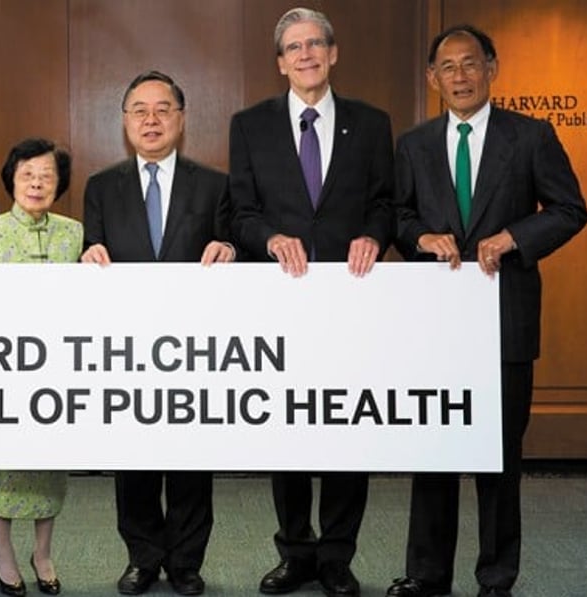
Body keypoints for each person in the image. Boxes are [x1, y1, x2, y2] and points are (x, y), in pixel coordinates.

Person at [386, 25, 587, 597]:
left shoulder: (530, 136)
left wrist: (515, 238)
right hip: (437, 328)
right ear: (433, 79)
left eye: (470, 63)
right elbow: (397, 217)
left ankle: (497, 577)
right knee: (435, 453)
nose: (460, 76)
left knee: (499, 459)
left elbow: (571, 209)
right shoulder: (414, 144)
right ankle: (427, 575)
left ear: (491, 68)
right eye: (447, 67)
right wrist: (422, 237)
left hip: (506, 323)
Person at [228, 7, 394, 597]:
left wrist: (376, 234)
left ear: (333, 52)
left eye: (315, 44)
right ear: (280, 62)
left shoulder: (372, 124)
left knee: (348, 428)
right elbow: (240, 213)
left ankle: (337, 557)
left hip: (351, 301)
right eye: (294, 48)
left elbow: (384, 202)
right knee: (291, 430)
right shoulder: (249, 125)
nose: (306, 55)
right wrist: (269, 238)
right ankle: (295, 550)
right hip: (283, 301)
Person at [82, 70, 234, 596]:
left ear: (181, 118)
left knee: (192, 459)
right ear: (125, 121)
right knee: (135, 459)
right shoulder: (100, 187)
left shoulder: (215, 185)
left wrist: (231, 251)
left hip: (196, 348)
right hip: (126, 346)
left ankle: (187, 562)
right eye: (139, 110)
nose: (151, 119)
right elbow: (93, 250)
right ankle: (143, 557)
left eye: (162, 109)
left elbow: (233, 249)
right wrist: (88, 254)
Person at [0, 138, 81, 597]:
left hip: (55, 370)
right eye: (27, 175)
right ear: (11, 180)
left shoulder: (74, 233)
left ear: (60, 184)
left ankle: (43, 552)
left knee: (49, 464)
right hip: (1, 368)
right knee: (0, 463)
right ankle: (4, 553)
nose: (37, 183)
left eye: (47, 176)